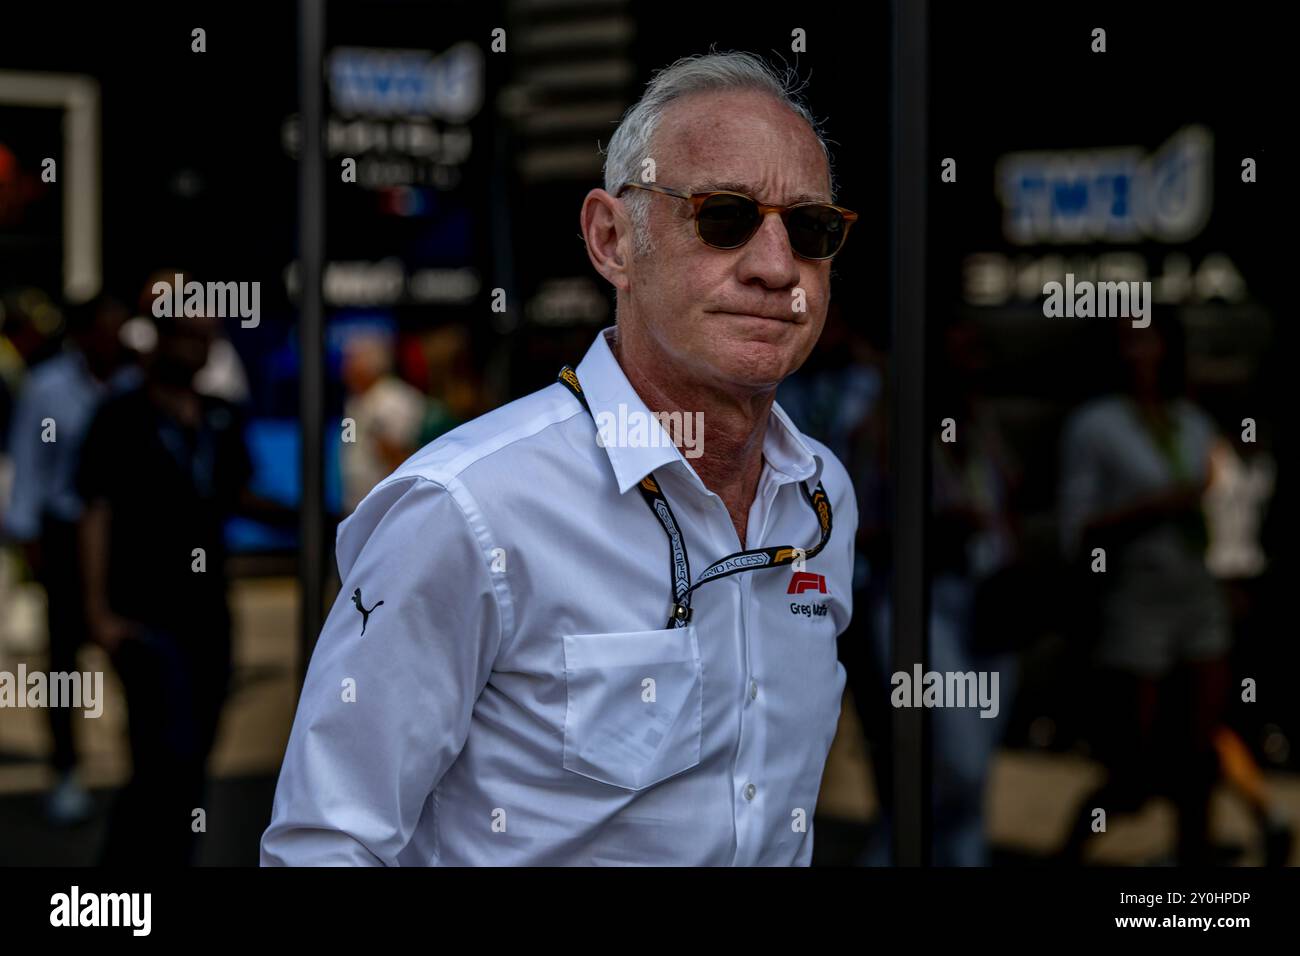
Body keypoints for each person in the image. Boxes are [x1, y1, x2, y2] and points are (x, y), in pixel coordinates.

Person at [262, 51, 860, 866]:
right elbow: (327, 844)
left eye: (811, 228)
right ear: (611, 239)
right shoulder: (468, 506)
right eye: (723, 218)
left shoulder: (821, 495)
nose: (775, 266)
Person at [77, 307, 291, 865]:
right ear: (161, 342)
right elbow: (95, 511)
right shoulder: (121, 417)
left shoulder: (219, 417)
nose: (197, 349)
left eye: (207, 339)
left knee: (195, 757)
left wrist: (316, 517)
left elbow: (239, 494)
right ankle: (117, 884)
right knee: (160, 757)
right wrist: (98, 612)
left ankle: (171, 862)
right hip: (145, 614)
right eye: (188, 337)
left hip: (207, 612)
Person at [1057, 314, 1230, 865]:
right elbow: (1075, 528)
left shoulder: (1192, 420)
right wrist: (1153, 507)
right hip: (1135, 597)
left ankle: (1195, 867)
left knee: (1200, 752)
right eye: (1130, 341)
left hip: (1199, 591)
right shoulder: (1095, 425)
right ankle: (1071, 850)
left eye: (1151, 340)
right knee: (1135, 761)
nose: (1142, 353)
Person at [1, 293, 140, 825]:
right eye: (102, 331)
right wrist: (31, 545)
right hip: (63, 539)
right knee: (63, 664)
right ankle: (66, 770)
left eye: (118, 330)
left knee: (132, 655)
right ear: (81, 336)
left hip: (124, 542)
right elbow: (30, 467)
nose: (113, 341)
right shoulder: (47, 387)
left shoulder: (134, 383)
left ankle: (139, 768)